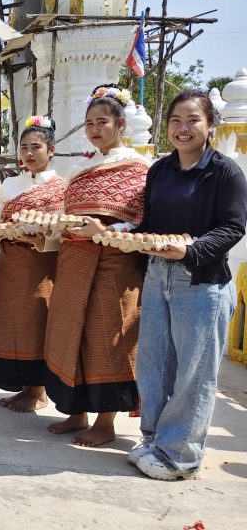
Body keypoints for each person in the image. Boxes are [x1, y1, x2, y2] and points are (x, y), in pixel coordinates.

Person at [130, 90, 247, 480]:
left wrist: (190, 250)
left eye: (193, 119)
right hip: (158, 275)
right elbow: (149, 224)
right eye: (176, 120)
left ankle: (180, 455)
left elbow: (232, 228)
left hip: (201, 281)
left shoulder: (225, 172)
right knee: (154, 362)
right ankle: (155, 438)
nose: (183, 128)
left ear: (210, 124)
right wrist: (120, 233)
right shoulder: (160, 170)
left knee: (193, 372)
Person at [43, 84, 150, 447]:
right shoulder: (80, 167)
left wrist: (107, 231)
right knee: (70, 334)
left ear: (121, 124)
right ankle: (75, 413)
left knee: (109, 338)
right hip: (74, 261)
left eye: (102, 122)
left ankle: (106, 423)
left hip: (115, 264)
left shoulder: (140, 167)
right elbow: (68, 212)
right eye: (89, 123)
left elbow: (144, 219)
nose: (94, 129)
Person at [0, 116, 65, 412]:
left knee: (36, 323)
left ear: (51, 150)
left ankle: (38, 392)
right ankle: (23, 387)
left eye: (36, 147)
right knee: (12, 323)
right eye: (24, 147)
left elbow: (63, 230)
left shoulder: (62, 187)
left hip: (41, 265)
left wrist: (40, 237)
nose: (29, 153)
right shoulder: (10, 184)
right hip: (10, 264)